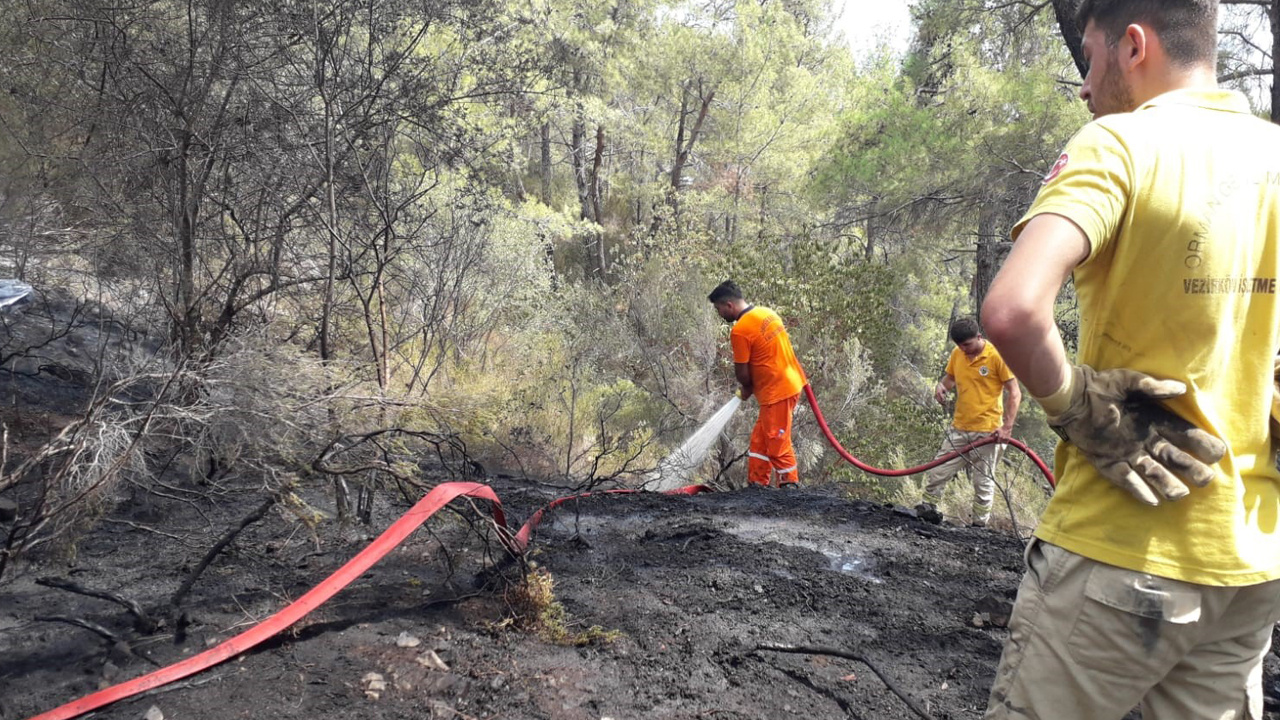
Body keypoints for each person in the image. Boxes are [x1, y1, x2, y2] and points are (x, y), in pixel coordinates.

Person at [979, 0, 1280, 717]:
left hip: (1120, 555)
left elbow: (1014, 311)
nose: (1084, 86)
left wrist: (1076, 404)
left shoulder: (1119, 144)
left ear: (1134, 45)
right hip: (1250, 566)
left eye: (1090, 57)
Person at [917, 317, 1021, 527]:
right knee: (938, 471)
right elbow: (950, 379)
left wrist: (1007, 427)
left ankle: (978, 527)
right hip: (960, 429)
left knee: (982, 483)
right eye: (960, 345)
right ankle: (927, 513)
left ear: (979, 337)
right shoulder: (958, 354)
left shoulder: (996, 356)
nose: (964, 349)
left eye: (967, 344)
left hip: (988, 432)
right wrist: (941, 387)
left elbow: (1015, 393)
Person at [707, 280, 807, 488]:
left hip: (777, 391)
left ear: (729, 306)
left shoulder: (741, 330)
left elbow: (742, 373)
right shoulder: (767, 313)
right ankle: (757, 486)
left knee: (776, 443)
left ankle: (791, 488)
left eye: (718, 309)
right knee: (760, 442)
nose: (719, 314)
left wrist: (746, 386)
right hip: (789, 382)